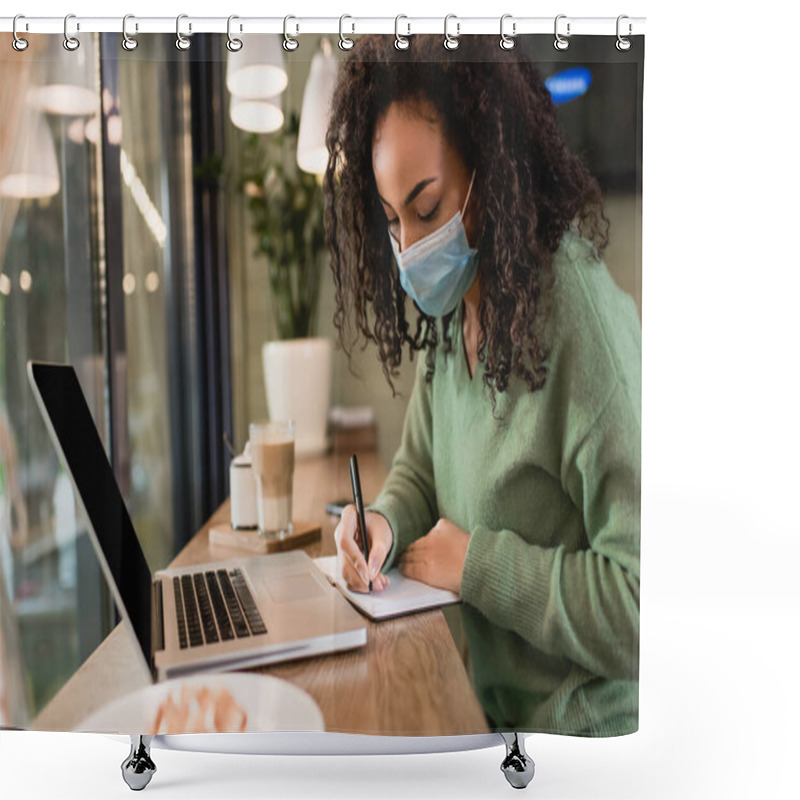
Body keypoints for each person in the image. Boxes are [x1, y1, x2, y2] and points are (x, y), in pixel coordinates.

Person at [325, 35, 641, 736]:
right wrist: (381, 522)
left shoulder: (578, 324)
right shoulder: (457, 307)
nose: (408, 250)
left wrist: (479, 568)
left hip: (583, 739)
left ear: (491, 172)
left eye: (427, 209)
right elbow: (419, 468)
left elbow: (647, 607)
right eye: (392, 221)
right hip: (492, 721)